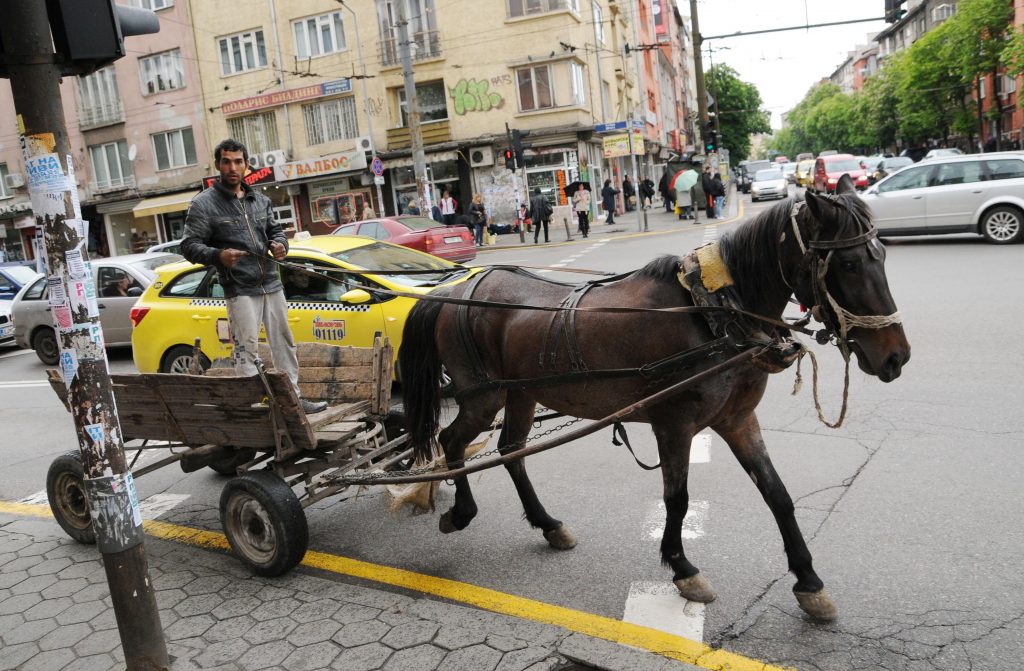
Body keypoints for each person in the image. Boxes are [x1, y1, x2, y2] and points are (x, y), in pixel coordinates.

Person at [181, 138, 327, 415]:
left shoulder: (260, 199)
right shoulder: (204, 204)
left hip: (271, 283)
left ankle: (293, 400)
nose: (232, 167)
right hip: (239, 288)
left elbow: (276, 232)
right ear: (218, 165)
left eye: (238, 161)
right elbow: (189, 246)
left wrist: (281, 245)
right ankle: (250, 408)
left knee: (284, 342)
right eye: (226, 161)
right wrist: (218, 256)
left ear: (247, 165)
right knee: (246, 348)